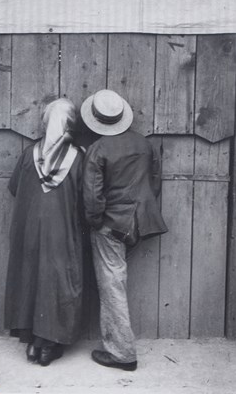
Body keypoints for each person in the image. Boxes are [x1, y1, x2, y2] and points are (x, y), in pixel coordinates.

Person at [81, 89, 168, 371]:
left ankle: (122, 354)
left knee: (112, 286)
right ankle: (118, 346)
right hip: (139, 224)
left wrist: (96, 223)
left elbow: (92, 197)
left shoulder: (98, 149)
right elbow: (155, 184)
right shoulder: (144, 143)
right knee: (116, 281)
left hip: (111, 225)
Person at [5, 98, 84, 366]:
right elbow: (86, 200)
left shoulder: (29, 154)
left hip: (29, 230)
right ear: (71, 123)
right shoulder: (78, 157)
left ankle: (31, 344)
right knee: (57, 281)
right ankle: (48, 345)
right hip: (62, 231)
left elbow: (15, 187)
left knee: (30, 277)